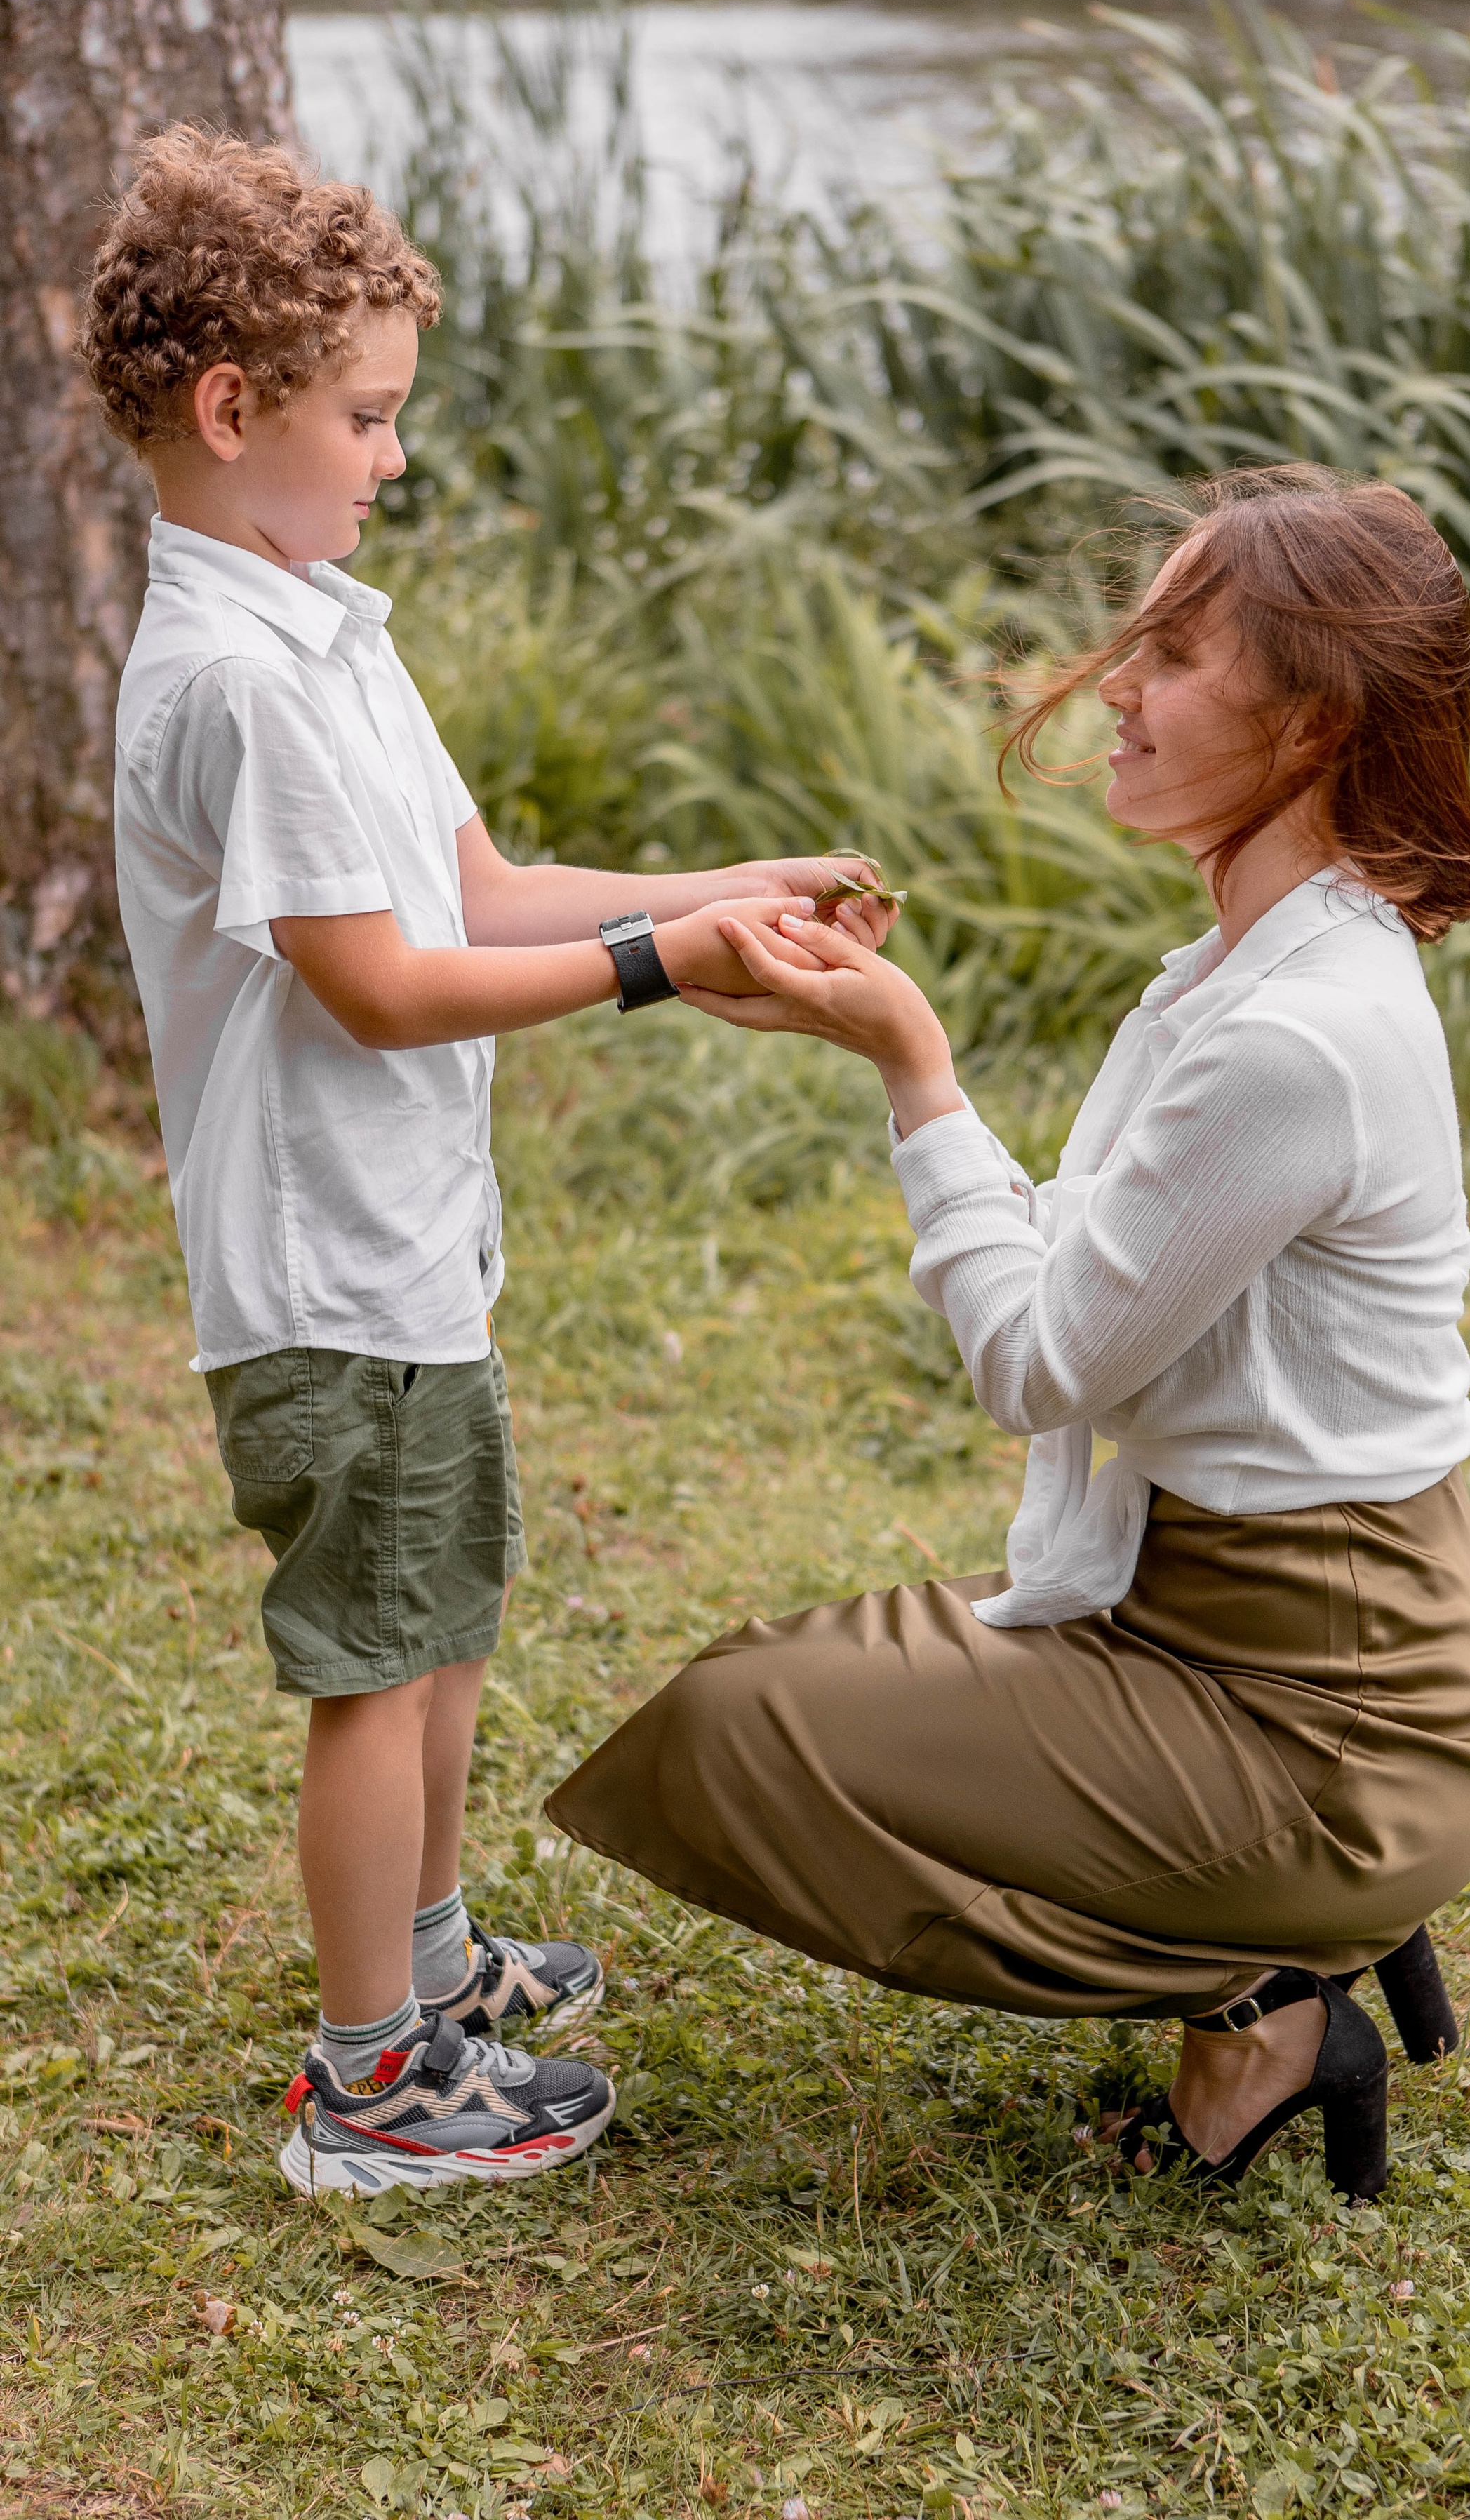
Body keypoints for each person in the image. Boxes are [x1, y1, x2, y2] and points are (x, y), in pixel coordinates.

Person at [544, 465, 1470, 2201]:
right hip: (1207, 1617)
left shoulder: (1293, 1030)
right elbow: (1097, 1281)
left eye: (1168, 650)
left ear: (1306, 724)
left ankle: (1275, 1976)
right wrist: (865, 1051)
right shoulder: (1251, 971)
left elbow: (1035, 1364)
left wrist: (912, 1068)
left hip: (1336, 1717)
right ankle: (1275, 1956)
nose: (1113, 689)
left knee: (746, 1737)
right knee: (755, 1705)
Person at [81, 125, 890, 2199]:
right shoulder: (232, 680)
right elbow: (379, 986)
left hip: (411, 1248)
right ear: (232, 411)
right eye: (367, 420)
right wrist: (657, 969)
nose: (392, 458)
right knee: (374, 1666)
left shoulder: (329, 631)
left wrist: (731, 891)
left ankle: (430, 1969)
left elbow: (482, 887)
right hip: (323, 1268)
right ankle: (371, 2087)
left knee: (441, 1624)